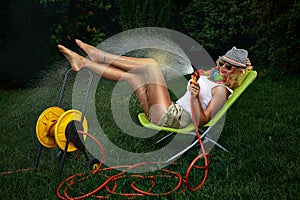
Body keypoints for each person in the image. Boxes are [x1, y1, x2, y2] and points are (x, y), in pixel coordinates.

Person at [58, 40, 252, 129]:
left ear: (237, 72)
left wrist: (194, 97)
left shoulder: (221, 91)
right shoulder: (215, 77)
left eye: (230, 67)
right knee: (133, 77)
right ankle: (83, 64)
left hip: (174, 118)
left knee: (151, 65)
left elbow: (202, 121)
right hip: (164, 113)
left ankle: (100, 56)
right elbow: (206, 73)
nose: (223, 67)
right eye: (222, 62)